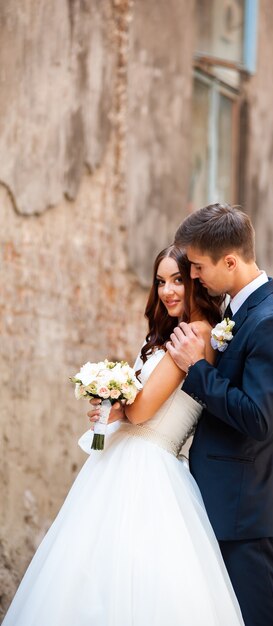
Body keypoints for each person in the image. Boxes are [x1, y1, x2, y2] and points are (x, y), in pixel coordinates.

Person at [3, 246, 244, 626]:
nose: (168, 291)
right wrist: (113, 402)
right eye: (161, 281)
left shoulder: (197, 334)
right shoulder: (165, 336)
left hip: (151, 464)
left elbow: (144, 409)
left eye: (178, 280)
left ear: (196, 282)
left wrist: (120, 404)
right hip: (123, 458)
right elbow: (138, 402)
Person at [166, 203, 273, 626]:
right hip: (223, 500)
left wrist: (198, 369)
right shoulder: (239, 313)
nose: (192, 276)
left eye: (197, 266)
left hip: (243, 507)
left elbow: (259, 418)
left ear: (230, 260)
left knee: (265, 618)